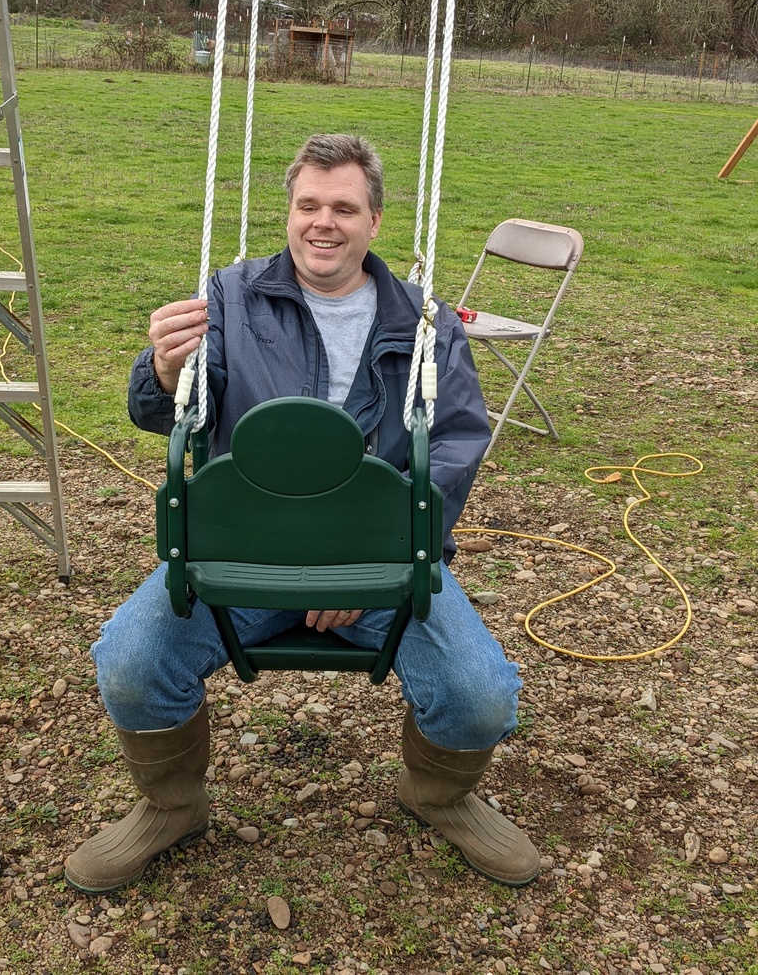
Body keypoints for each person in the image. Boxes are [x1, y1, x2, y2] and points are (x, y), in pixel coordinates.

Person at [65, 134, 540, 895]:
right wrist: (161, 370)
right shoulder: (232, 296)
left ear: (375, 220)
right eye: (308, 205)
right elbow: (173, 412)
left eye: (344, 207)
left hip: (382, 567)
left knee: (481, 694)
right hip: (243, 560)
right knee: (130, 660)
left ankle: (438, 794)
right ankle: (171, 805)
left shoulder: (426, 323)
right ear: (289, 212)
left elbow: (453, 443)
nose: (324, 222)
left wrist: (369, 559)